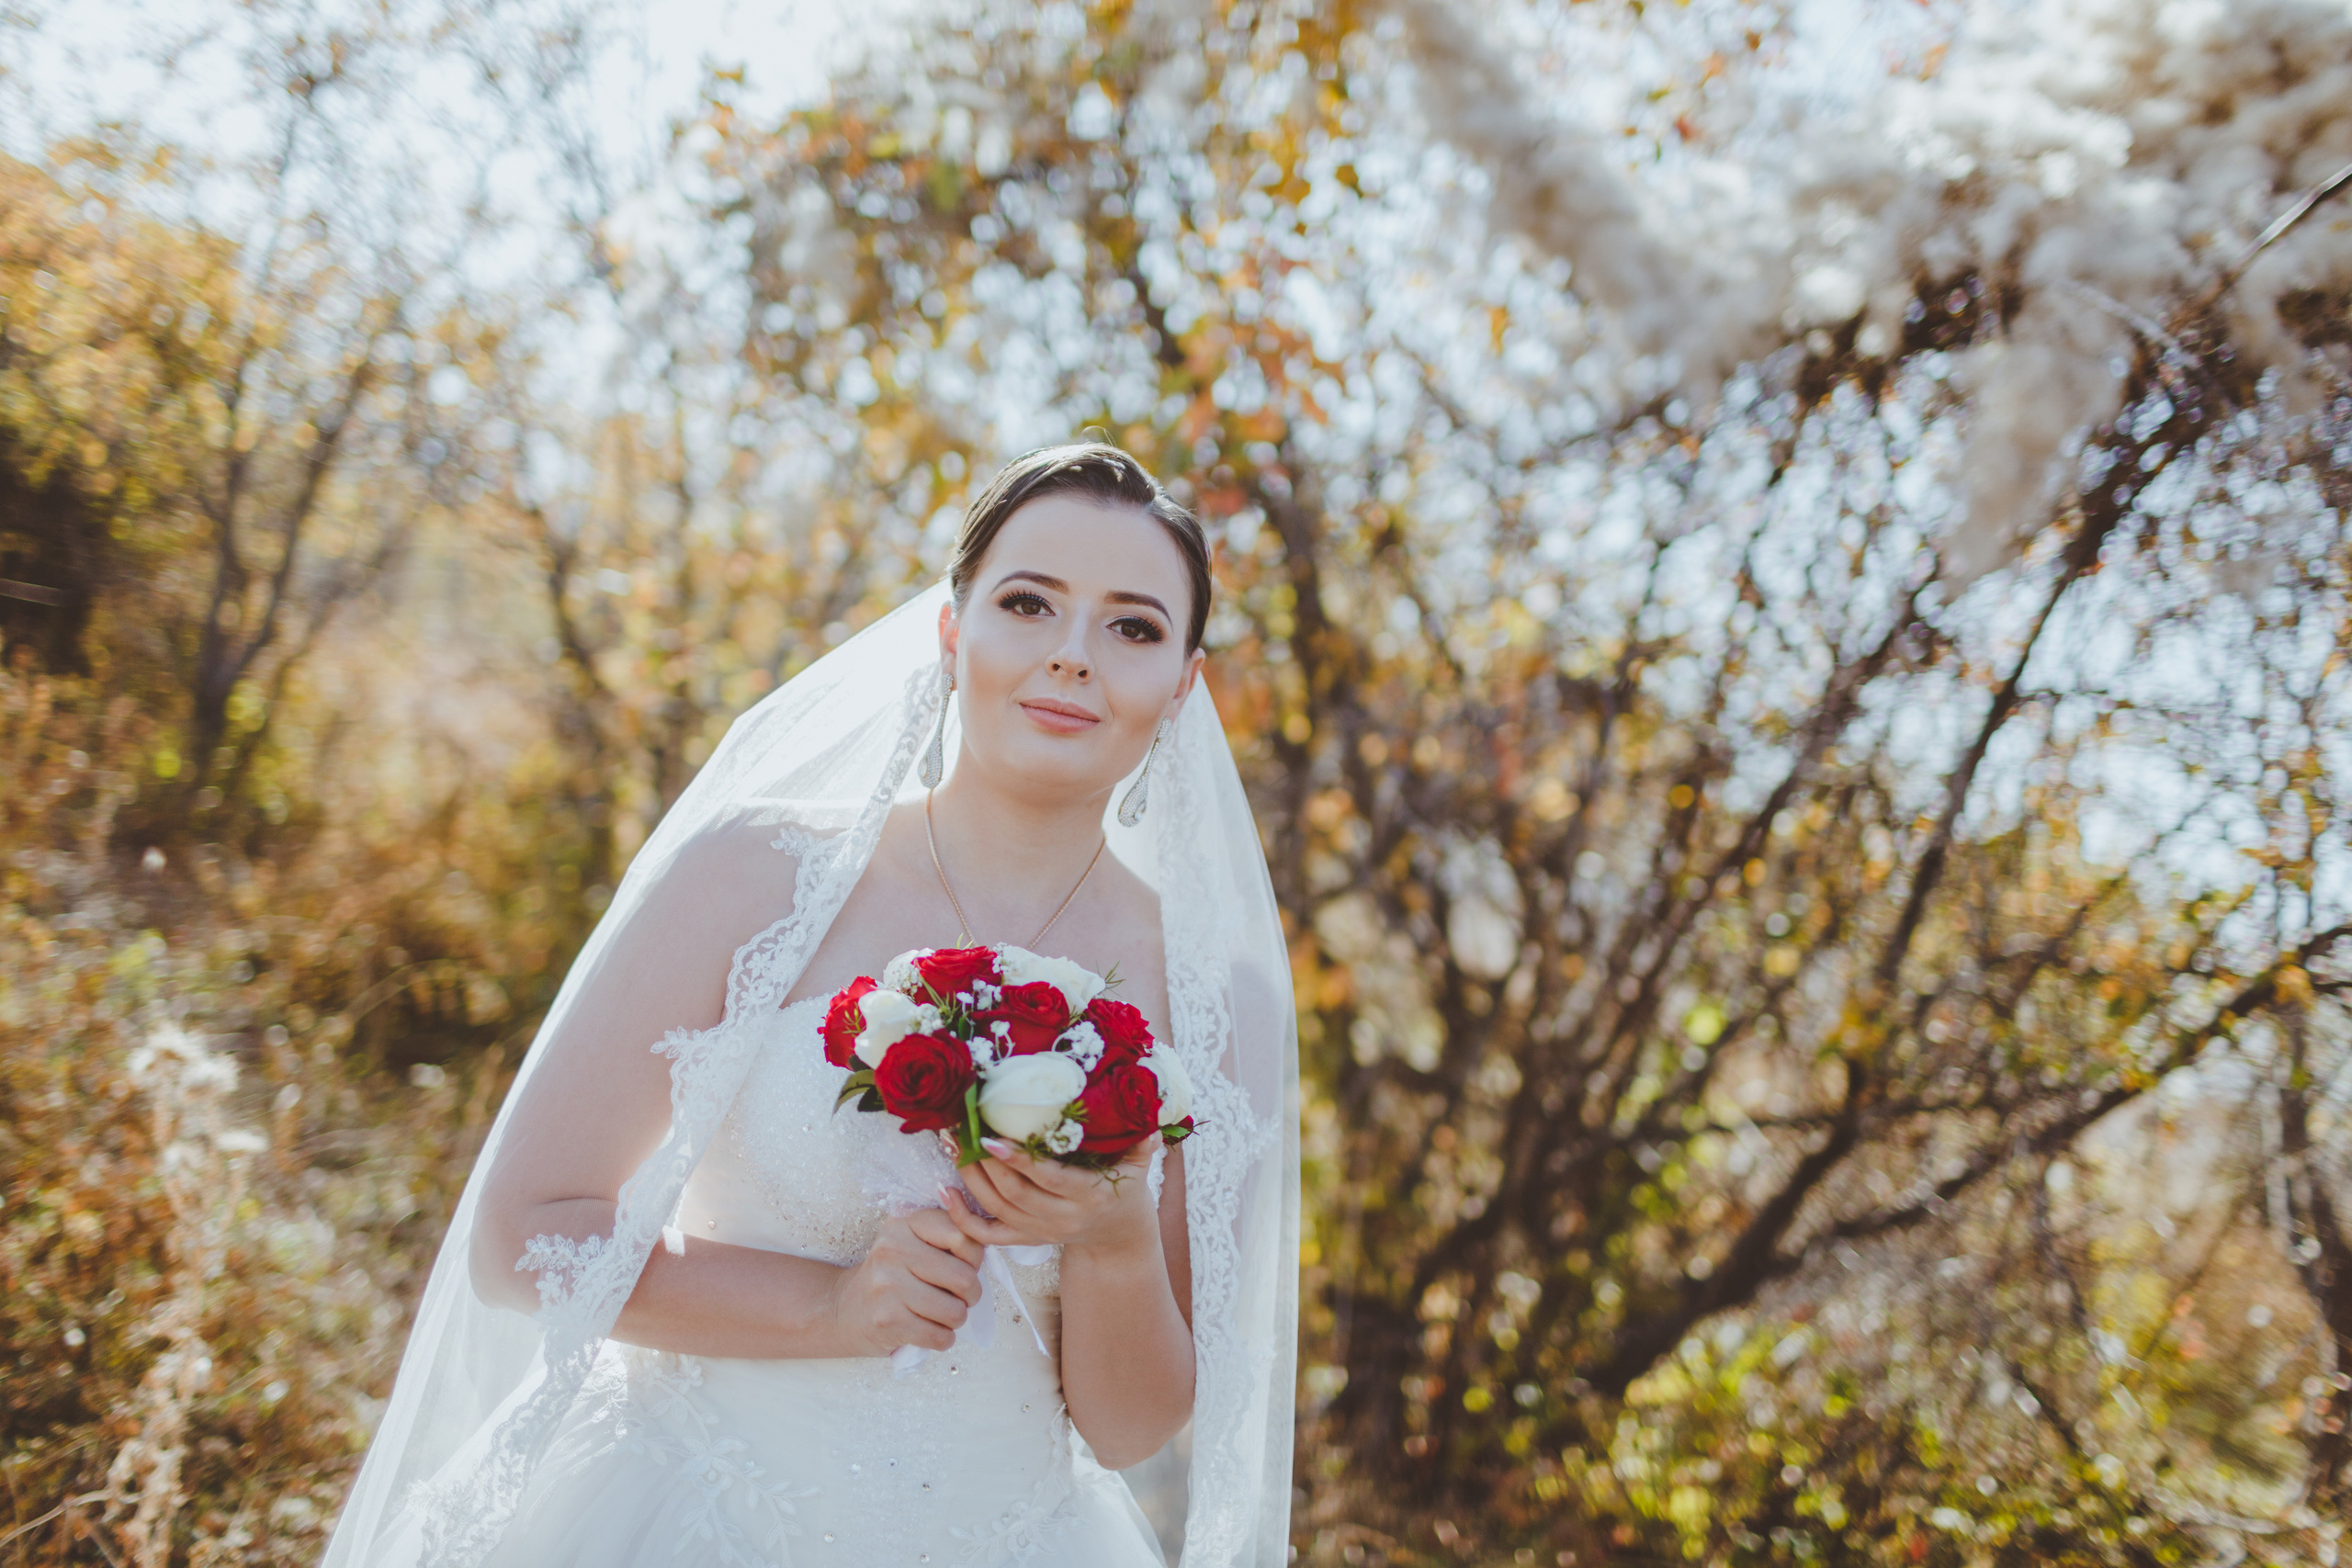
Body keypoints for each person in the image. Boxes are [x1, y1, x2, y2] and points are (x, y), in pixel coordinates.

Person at [321, 444, 1299, 1568]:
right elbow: (520, 1236)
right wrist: (828, 1312)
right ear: (950, 632)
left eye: (1132, 627)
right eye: (1028, 604)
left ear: (1182, 683)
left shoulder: (1215, 997)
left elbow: (1131, 1429)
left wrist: (1116, 1238)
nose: (1072, 658)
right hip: (672, 1512)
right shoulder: (758, 876)